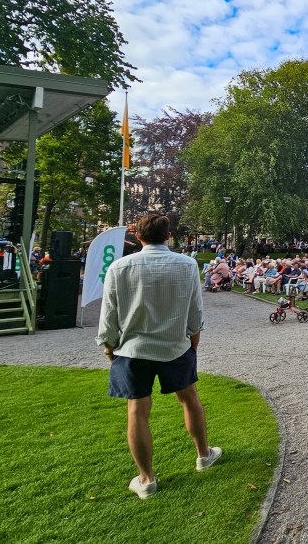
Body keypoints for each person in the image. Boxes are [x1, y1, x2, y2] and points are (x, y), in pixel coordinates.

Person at [96, 213, 221, 500]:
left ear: (138, 236)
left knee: (137, 410)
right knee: (189, 399)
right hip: (175, 346)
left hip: (132, 349)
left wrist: (109, 348)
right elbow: (195, 313)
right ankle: (203, 454)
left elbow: (109, 313)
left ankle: (147, 478)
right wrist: (193, 345)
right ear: (168, 236)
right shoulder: (187, 264)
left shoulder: (119, 267)